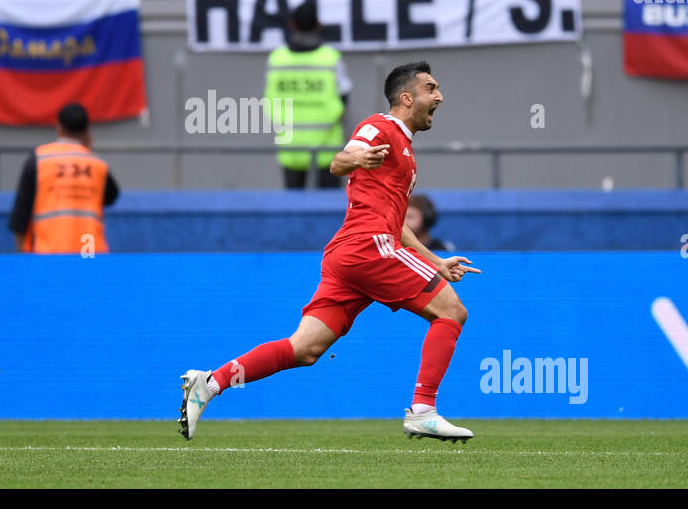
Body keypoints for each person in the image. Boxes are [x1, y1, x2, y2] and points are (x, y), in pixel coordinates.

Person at [180, 62, 482, 443]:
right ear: (407, 98)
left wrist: (436, 261)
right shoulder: (381, 126)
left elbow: (397, 221)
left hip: (350, 255)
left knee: (304, 348)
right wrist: (357, 158)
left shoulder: (404, 149)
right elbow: (339, 160)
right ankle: (423, 410)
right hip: (368, 249)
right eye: (431, 88)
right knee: (452, 312)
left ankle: (209, 383)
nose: (439, 96)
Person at [9, 103, 120, 253]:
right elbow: (111, 197)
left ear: (59, 127)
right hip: (89, 252)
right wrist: (87, 149)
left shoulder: (39, 159)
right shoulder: (96, 164)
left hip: (48, 252)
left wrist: (23, 257)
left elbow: (20, 214)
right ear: (87, 130)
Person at [266, 3, 353, 190]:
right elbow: (344, 96)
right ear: (318, 24)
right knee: (327, 208)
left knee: (292, 208)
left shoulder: (277, 59)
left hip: (290, 144)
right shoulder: (330, 58)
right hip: (327, 145)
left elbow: (270, 99)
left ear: (291, 25)